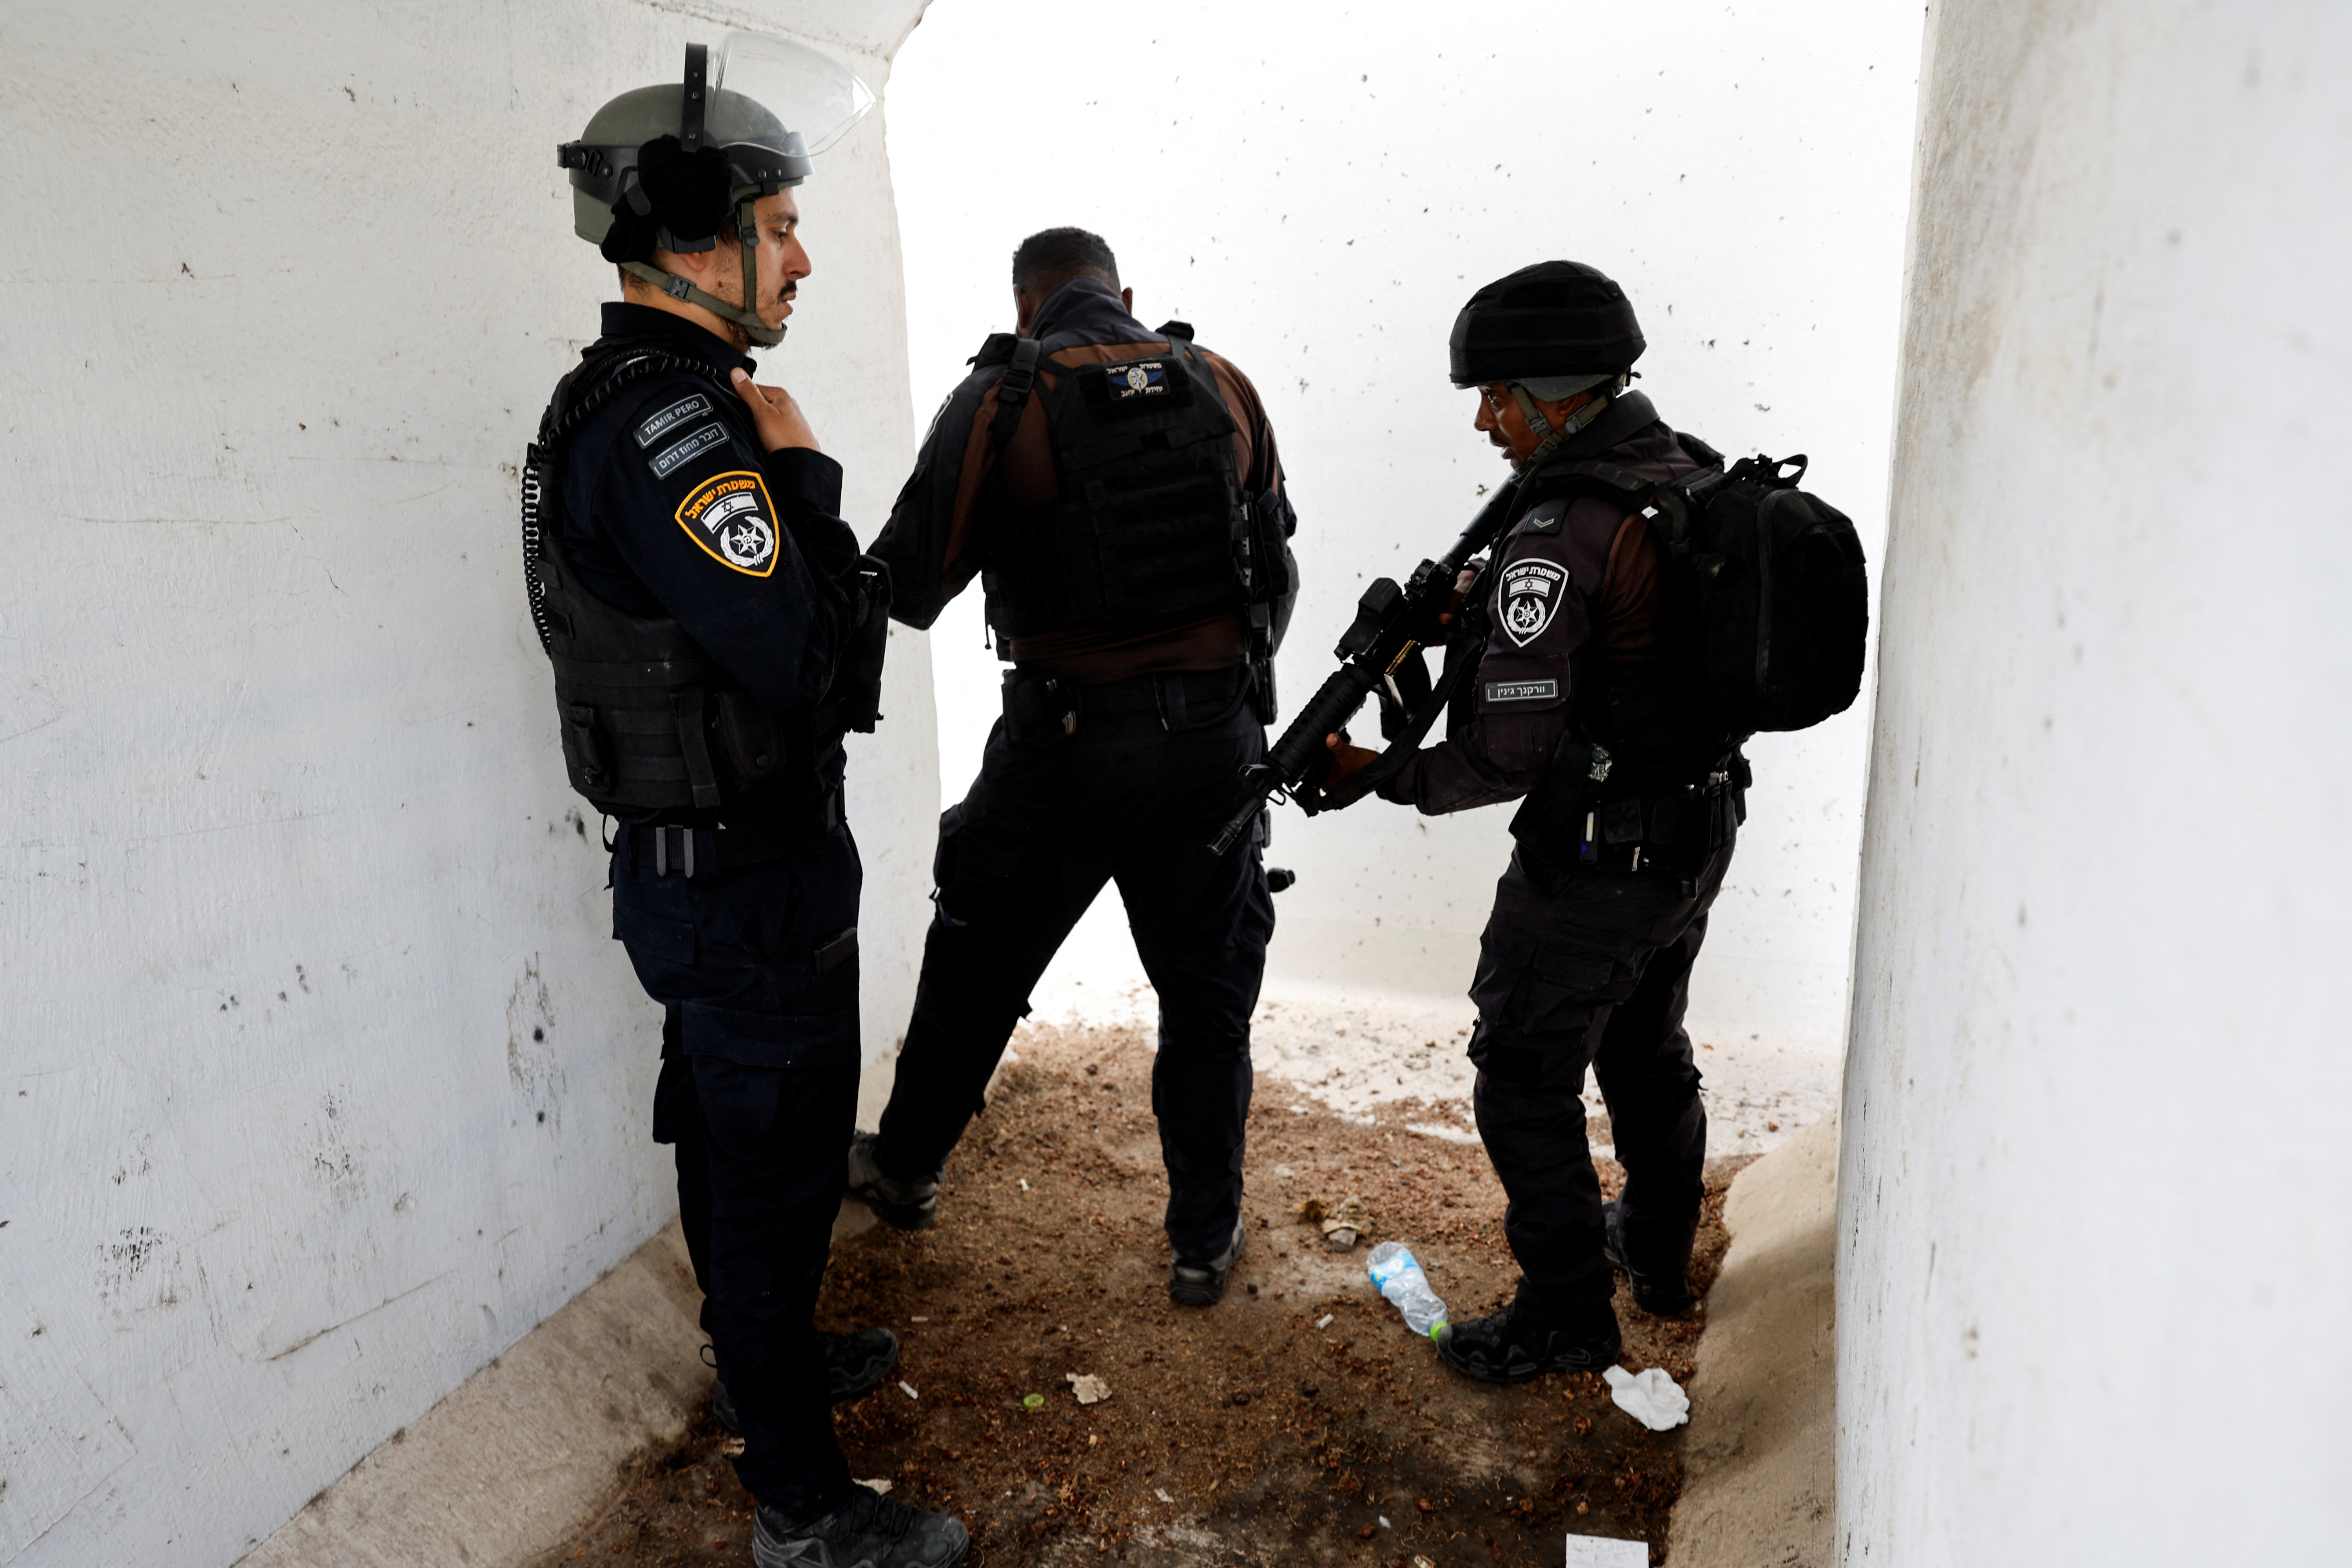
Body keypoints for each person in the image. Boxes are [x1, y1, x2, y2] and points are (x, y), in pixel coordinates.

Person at [530, 42, 967, 1566]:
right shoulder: (681, 431)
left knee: (737, 1149)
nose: (802, 258)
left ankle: (757, 1363)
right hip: (746, 888)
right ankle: (804, 1510)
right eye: (780, 226)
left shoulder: (633, 405)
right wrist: (812, 475)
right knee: (774, 1177)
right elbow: (813, 662)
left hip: (713, 877)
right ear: (697, 237)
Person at [845, 227, 1298, 1307]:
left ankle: (905, 1171)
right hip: (1217, 747)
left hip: (1069, 746)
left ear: (1024, 305)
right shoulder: (1223, 382)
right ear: (1124, 293)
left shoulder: (1007, 397)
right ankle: (1205, 1238)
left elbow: (909, 584)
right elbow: (1274, 561)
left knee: (978, 959)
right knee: (1208, 991)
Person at [1326, 261, 1743, 1383]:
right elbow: (1630, 645)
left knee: (1521, 1072)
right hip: (1692, 834)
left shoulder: (1562, 527)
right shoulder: (1682, 472)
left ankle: (1566, 1315)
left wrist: (1380, 774)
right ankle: (1655, 1249)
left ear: (1556, 398)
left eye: (1498, 397)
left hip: (1598, 860)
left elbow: (1504, 755)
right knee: (1645, 1046)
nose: (1485, 421)